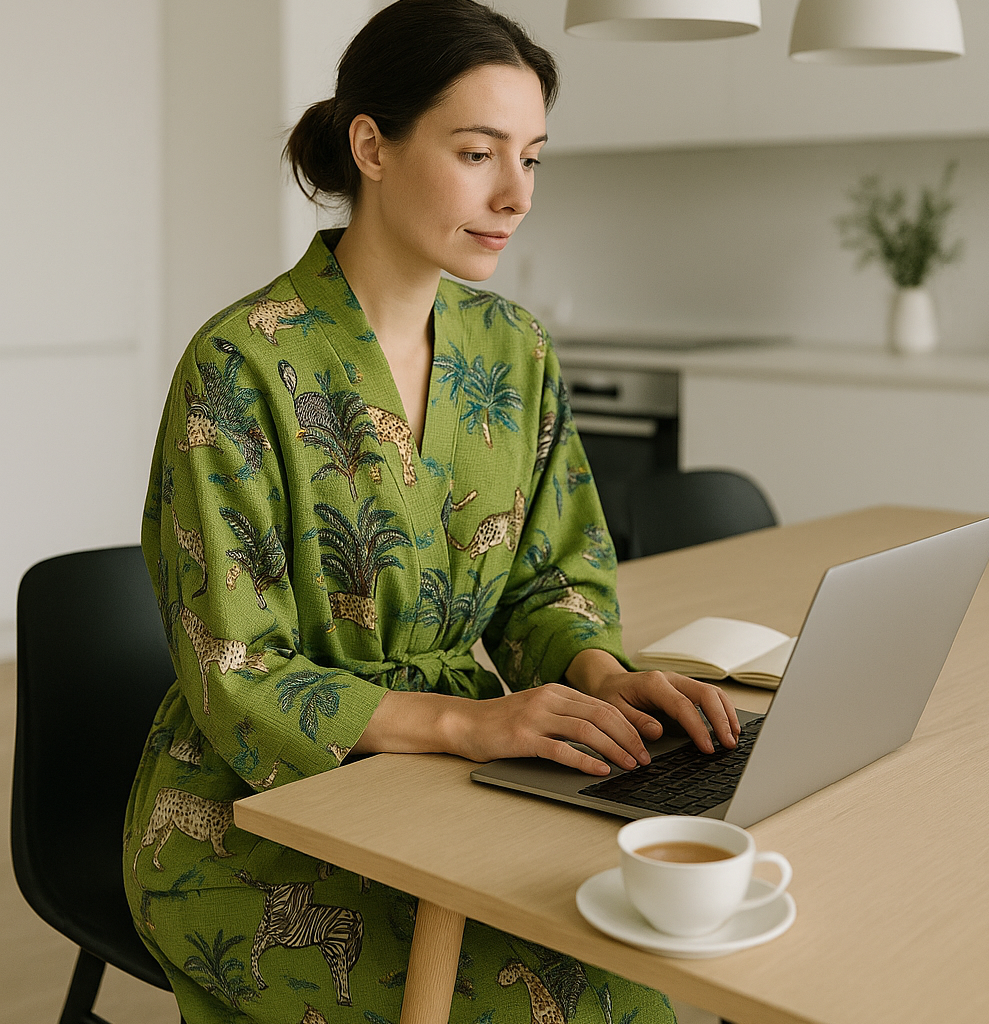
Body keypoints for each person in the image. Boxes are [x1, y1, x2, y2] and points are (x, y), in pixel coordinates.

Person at [123, 2, 741, 1021]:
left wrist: (603, 675)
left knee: (639, 950)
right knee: (547, 989)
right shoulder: (240, 364)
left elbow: (548, 578)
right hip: (258, 810)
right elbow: (236, 670)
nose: (515, 193)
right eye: (476, 152)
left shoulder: (516, 349)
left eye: (533, 158)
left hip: (465, 774)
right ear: (371, 144)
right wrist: (471, 719)